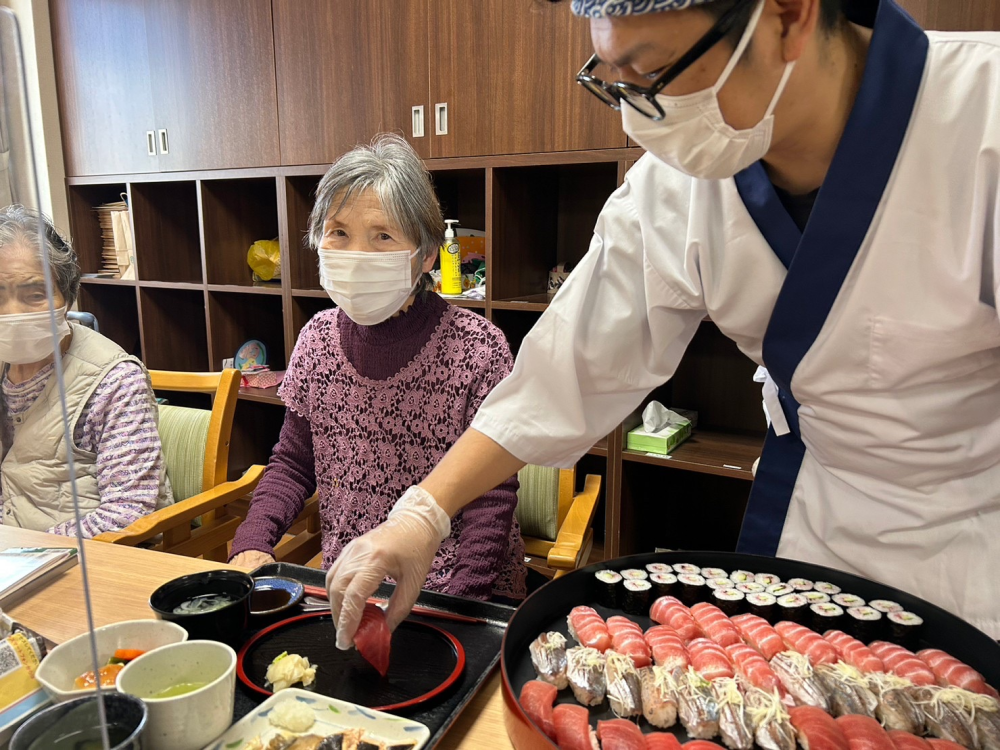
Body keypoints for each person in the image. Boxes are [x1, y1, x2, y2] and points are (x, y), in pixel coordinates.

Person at [325, 0, 1000, 647]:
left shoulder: (983, 117)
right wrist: (422, 515)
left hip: (974, 537)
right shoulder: (682, 179)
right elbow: (568, 370)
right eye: (610, 81)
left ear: (789, 13)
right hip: (818, 520)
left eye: (653, 74)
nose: (635, 121)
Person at [228, 135, 526, 605]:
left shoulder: (478, 348)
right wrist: (252, 542)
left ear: (426, 255)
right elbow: (292, 462)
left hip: (456, 591)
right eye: (339, 232)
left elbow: (492, 499)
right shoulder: (316, 339)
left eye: (383, 236)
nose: (356, 254)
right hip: (351, 581)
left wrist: (458, 603)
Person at [0, 205, 171, 536]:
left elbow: (128, 512)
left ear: (67, 297)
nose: (13, 312)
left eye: (34, 294)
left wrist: (26, 553)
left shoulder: (114, 381)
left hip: (83, 560)